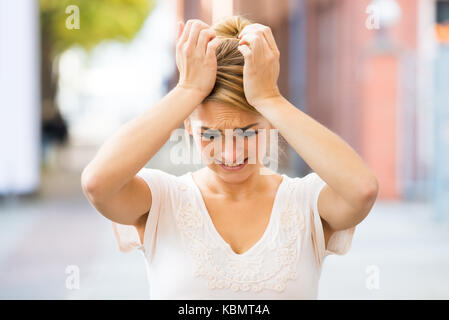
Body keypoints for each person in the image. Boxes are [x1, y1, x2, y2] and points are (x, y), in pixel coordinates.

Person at [81, 15, 378, 299]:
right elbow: (97, 183)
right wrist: (187, 90)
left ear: (272, 122)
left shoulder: (307, 202)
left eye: (248, 133)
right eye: (210, 135)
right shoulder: (161, 200)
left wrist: (270, 98)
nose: (231, 154)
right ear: (187, 125)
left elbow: (361, 190)